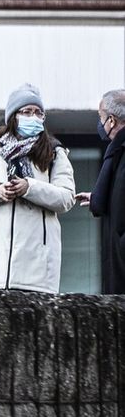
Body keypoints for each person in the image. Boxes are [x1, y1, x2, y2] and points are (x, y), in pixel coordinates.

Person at [0, 83, 77, 294]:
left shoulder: (54, 152)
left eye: (38, 112)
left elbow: (66, 198)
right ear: (14, 116)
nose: (33, 117)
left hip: (36, 272)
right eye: (27, 111)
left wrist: (29, 187)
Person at [84, 89, 125, 294]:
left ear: (111, 120)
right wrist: (100, 198)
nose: (100, 124)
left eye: (100, 118)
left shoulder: (120, 151)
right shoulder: (119, 152)